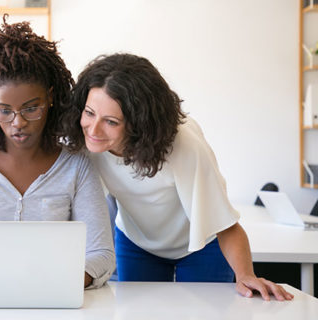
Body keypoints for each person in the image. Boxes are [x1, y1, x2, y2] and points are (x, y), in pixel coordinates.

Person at [62, 53, 294, 300]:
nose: (94, 129)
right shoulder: (85, 143)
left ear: (139, 123)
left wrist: (246, 275)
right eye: (89, 113)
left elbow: (226, 224)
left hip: (202, 246)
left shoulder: (184, 145)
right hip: (137, 243)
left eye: (111, 121)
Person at [0, 17, 115, 289]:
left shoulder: (76, 166)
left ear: (50, 98)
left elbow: (101, 256)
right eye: (4, 110)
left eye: (31, 108)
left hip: (53, 299)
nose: (18, 122)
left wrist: (54, 282)